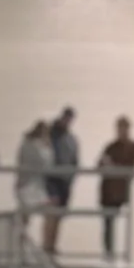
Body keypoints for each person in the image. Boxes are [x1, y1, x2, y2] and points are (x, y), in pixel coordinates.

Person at [95, 116, 134, 258]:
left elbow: (130, 165)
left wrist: (112, 165)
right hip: (108, 190)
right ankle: (108, 253)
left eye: (124, 128)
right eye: (119, 128)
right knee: (108, 224)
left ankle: (121, 253)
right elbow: (99, 163)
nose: (121, 131)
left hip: (120, 191)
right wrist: (106, 164)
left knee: (121, 220)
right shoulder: (110, 146)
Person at [42, 106, 79, 256]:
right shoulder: (51, 134)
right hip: (52, 178)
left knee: (59, 215)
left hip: (65, 180)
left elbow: (75, 159)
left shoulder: (71, 139)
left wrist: (72, 177)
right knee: (51, 211)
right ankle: (46, 245)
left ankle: (52, 245)